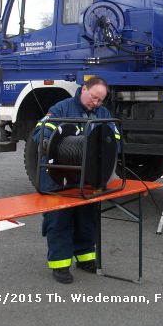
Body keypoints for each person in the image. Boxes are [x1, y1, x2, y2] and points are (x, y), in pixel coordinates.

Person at [33, 76, 120, 284]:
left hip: (87, 178)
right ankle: (60, 264)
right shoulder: (61, 109)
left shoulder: (102, 113)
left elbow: (114, 138)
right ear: (83, 90)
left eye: (100, 100)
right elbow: (40, 132)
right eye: (93, 98)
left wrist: (111, 150)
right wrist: (47, 140)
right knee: (59, 220)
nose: (96, 103)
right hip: (58, 178)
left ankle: (85, 257)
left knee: (87, 218)